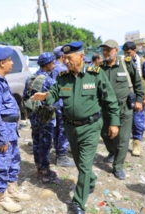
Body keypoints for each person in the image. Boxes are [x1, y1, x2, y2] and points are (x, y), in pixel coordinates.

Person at [31, 41, 120, 214]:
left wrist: (114, 122)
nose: (65, 61)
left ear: (81, 57)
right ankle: (90, 180)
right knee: (80, 162)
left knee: (85, 165)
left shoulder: (96, 75)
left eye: (69, 58)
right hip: (71, 128)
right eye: (64, 58)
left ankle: (78, 203)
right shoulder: (63, 76)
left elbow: (110, 100)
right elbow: (55, 93)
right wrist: (45, 97)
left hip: (91, 127)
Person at [0, 47, 31, 212]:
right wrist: (2, 138)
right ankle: (2, 198)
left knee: (13, 161)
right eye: (9, 60)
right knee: (1, 164)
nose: (12, 62)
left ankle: (12, 190)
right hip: (1, 131)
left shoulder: (1, 80)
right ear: (2, 63)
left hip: (9, 129)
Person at [100, 39, 144, 180]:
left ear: (116, 50)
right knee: (106, 134)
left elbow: (138, 83)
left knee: (123, 138)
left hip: (124, 107)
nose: (105, 52)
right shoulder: (100, 67)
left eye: (108, 50)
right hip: (106, 109)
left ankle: (118, 167)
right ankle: (112, 152)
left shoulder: (126, 63)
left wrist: (139, 101)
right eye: (104, 50)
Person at [22, 52, 59, 183]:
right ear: (47, 64)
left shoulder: (30, 78)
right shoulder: (49, 81)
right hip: (45, 116)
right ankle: (44, 171)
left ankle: (38, 166)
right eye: (52, 63)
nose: (54, 65)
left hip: (33, 114)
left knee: (36, 141)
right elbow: (56, 100)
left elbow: (24, 96)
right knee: (45, 143)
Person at [122, 42, 145, 157]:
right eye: (125, 53)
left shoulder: (143, 63)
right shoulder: (123, 62)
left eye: (129, 52)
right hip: (126, 96)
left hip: (139, 96)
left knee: (137, 121)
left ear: (135, 50)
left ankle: (136, 143)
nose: (127, 55)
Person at [51, 46, 75, 167]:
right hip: (61, 103)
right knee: (63, 129)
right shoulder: (61, 68)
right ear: (62, 56)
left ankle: (58, 152)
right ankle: (61, 156)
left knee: (56, 129)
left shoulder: (52, 66)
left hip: (54, 103)